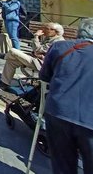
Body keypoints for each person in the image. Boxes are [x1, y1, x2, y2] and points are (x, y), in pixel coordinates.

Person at [39, 18, 93, 174]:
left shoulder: (59, 47)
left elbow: (44, 76)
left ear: (78, 32)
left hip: (58, 111)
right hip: (89, 120)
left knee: (62, 166)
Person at [0, 22, 64, 90]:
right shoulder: (50, 38)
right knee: (11, 61)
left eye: (46, 28)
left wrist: (36, 36)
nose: (43, 30)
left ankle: (5, 56)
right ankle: (4, 83)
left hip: (41, 64)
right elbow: (37, 50)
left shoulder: (57, 41)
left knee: (13, 51)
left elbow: (37, 49)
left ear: (55, 31)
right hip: (36, 59)